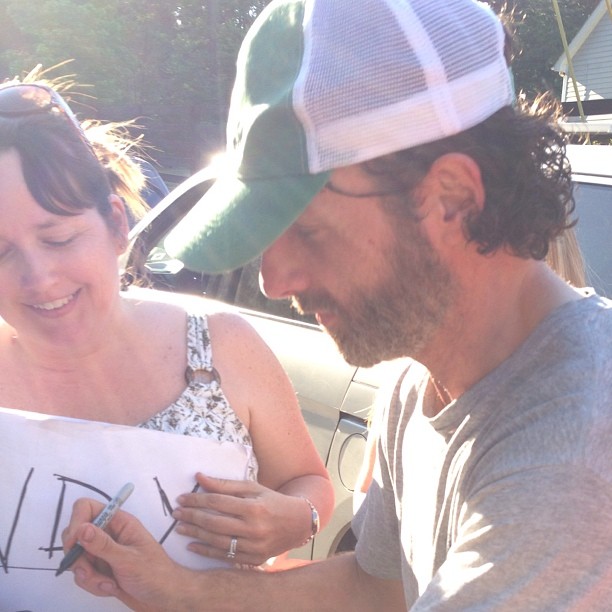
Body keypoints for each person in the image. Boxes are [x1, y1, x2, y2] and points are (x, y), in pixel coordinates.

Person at [62, 0, 612, 609]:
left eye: (308, 229)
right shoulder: (418, 380)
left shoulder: (574, 462)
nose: (274, 280)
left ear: (452, 198)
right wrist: (179, 590)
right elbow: (374, 587)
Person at [0, 76, 334, 584]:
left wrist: (296, 517)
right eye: (0, 252)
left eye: (60, 238)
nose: (38, 278)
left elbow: (306, 481)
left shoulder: (220, 346)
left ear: (116, 225)